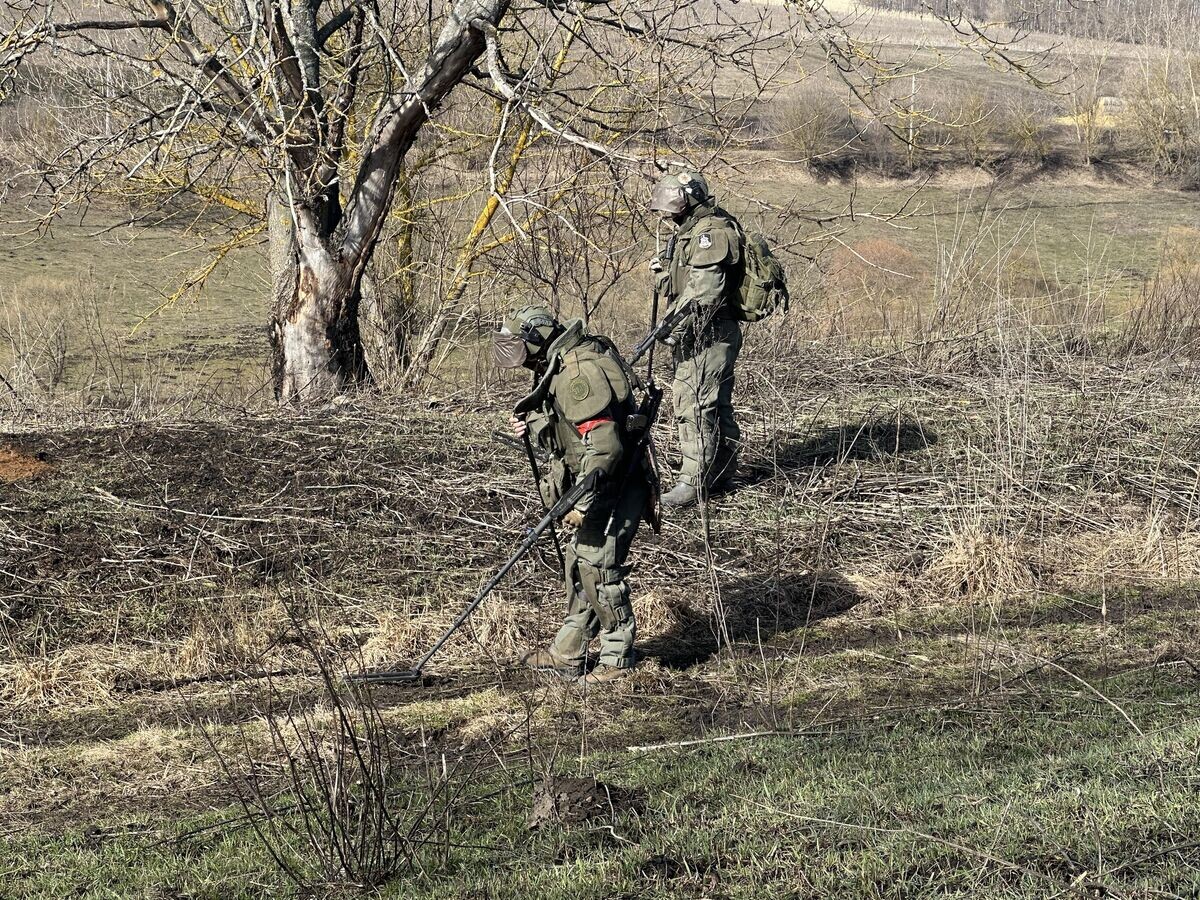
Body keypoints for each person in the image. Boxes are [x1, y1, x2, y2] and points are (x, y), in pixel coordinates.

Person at [493, 305, 650, 684]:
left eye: (520, 345)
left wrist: (578, 503)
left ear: (536, 339)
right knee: (579, 563)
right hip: (595, 480)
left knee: (598, 563)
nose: (520, 356)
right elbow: (569, 427)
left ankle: (617, 659)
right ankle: (569, 651)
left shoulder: (576, 371)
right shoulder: (560, 362)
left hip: (609, 483)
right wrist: (533, 423)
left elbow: (606, 447)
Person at [649, 171, 744, 508]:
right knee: (712, 403)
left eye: (675, 203)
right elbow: (679, 287)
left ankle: (693, 481)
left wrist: (671, 329)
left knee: (694, 403)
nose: (669, 212)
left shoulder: (711, 233)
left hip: (710, 332)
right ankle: (718, 470)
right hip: (697, 329)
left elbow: (706, 291)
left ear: (690, 199)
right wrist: (662, 271)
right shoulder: (688, 233)